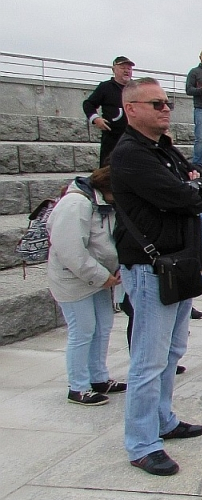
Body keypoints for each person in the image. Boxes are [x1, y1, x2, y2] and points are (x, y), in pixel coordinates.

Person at [111, 78, 202, 476]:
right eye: (156, 103)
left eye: (168, 102)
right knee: (148, 360)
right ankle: (141, 442)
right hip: (151, 268)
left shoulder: (165, 149)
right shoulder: (131, 155)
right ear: (132, 108)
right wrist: (196, 188)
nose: (165, 108)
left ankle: (163, 419)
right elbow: (186, 196)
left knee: (172, 354)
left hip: (181, 263)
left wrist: (198, 185)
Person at [46, 166, 125, 406]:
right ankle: (78, 387)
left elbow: (106, 241)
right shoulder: (76, 204)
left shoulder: (103, 204)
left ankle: (99, 377)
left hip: (99, 277)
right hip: (74, 279)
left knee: (102, 326)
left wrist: (114, 268)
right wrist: (101, 276)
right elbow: (70, 250)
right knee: (82, 331)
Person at [83, 56, 134, 167]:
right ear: (114, 69)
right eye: (122, 67)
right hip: (112, 139)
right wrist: (96, 119)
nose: (126, 71)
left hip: (133, 138)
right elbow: (88, 104)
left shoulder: (137, 88)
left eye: (129, 68)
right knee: (108, 171)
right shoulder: (105, 87)